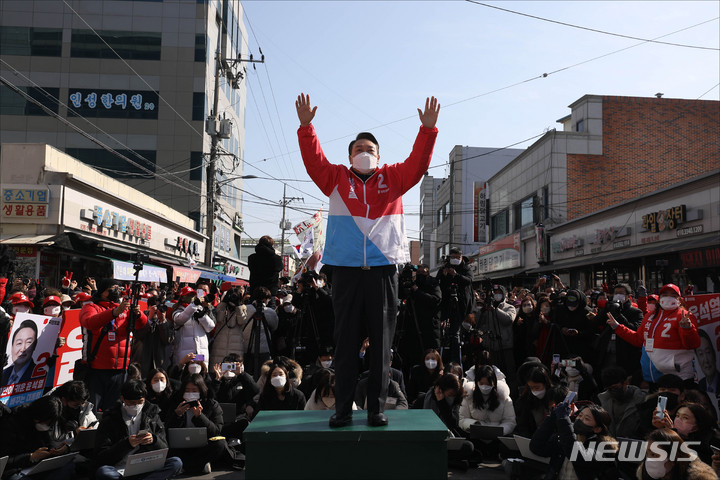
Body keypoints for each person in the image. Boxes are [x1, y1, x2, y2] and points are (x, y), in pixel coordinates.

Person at [296, 92, 439, 428]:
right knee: (345, 344)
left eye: (369, 150)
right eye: (358, 150)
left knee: (381, 344)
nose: (364, 154)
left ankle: (376, 408)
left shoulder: (395, 179)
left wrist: (427, 131)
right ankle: (343, 409)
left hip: (383, 270)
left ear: (379, 156)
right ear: (349, 156)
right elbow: (314, 161)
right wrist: (306, 127)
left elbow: (418, 163)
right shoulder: (335, 179)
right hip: (344, 270)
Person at [608, 283, 700, 384]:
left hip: (678, 377)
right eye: (665, 295)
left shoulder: (684, 316)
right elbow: (638, 339)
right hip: (653, 376)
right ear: (660, 298)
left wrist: (687, 328)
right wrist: (617, 327)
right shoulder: (650, 316)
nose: (668, 298)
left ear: (679, 299)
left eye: (673, 296)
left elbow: (692, 344)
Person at [79, 279, 147, 412]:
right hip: (97, 369)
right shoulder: (91, 307)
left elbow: (141, 326)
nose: (116, 291)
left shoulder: (125, 309)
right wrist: (113, 313)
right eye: (112, 288)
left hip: (120, 370)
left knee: (113, 410)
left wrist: (138, 315)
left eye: (118, 288)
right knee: (91, 409)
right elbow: (89, 323)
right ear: (102, 291)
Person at [93, 379, 182, 480]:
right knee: (104, 472)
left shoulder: (152, 414)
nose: (136, 406)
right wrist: (127, 444)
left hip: (146, 465)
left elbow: (164, 448)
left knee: (176, 462)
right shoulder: (110, 419)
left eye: (140, 402)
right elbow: (101, 456)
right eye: (132, 403)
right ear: (123, 399)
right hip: (120, 468)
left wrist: (153, 440)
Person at [530, 403, 619, 480]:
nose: (580, 419)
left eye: (587, 419)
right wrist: (551, 419)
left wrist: (563, 420)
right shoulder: (564, 437)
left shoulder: (603, 447)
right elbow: (536, 447)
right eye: (580, 415)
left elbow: (575, 454)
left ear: (597, 429)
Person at [0, 395, 75, 480]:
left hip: (36, 466)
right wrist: (31, 457)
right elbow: (5, 461)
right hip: (15, 470)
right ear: (38, 417)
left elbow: (47, 443)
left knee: (67, 467)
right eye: (47, 423)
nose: (48, 427)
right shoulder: (12, 424)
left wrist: (56, 450)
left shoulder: (44, 424)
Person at [166, 374, 226, 475]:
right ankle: (198, 466)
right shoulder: (176, 403)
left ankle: (186, 467)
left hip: (202, 447)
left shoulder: (211, 404)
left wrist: (200, 417)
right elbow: (166, 429)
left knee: (220, 444)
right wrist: (177, 415)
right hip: (181, 447)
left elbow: (216, 431)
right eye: (187, 390)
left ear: (201, 390)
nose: (190, 394)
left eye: (194, 391)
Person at [436, 247, 474, 368]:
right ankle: (442, 363)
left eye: (458, 257)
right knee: (444, 334)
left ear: (461, 257)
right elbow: (437, 283)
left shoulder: (466, 267)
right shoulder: (444, 267)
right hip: (446, 305)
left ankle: (457, 364)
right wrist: (444, 275)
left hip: (461, 305)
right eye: (453, 257)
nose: (455, 259)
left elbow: (469, 280)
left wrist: (456, 275)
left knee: (456, 335)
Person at [475, 284, 517, 392]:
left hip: (506, 346)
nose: (497, 295)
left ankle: (512, 393)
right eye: (495, 293)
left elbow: (508, 319)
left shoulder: (509, 307)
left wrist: (495, 310)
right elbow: (478, 322)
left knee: (509, 372)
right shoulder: (487, 309)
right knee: (495, 372)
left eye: (499, 293)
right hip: (492, 347)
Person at [458, 365, 516, 436]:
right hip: (475, 436)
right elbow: (463, 419)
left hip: (498, 438)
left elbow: (510, 421)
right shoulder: (468, 397)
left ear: (494, 383)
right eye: (481, 384)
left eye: (488, 384)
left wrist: (499, 431)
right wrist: (474, 424)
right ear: (476, 382)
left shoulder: (504, 398)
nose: (484, 387)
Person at [638, 428, 717, 480]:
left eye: (654, 454)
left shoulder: (700, 477)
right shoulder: (645, 475)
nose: (649, 460)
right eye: (647, 454)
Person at [597, 365, 647, 438]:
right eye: (609, 389)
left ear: (626, 382)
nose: (613, 391)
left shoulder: (642, 400)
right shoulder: (603, 401)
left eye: (615, 387)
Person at [171, 286, 215, 365]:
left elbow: (210, 327)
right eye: (188, 295)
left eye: (192, 295)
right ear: (182, 297)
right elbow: (179, 320)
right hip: (185, 355)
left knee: (199, 375)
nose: (190, 297)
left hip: (200, 353)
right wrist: (194, 305)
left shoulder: (199, 308)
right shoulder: (177, 310)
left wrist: (202, 316)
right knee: (184, 375)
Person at [1, 318, 39, 386]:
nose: (22, 349)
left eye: (28, 342)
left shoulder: (40, 374)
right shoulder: (3, 373)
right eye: (19, 343)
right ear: (12, 346)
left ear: (35, 345)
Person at [247, 236, 283, 302]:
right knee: (270, 311)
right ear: (271, 245)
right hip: (270, 291)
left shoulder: (251, 258)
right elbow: (280, 268)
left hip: (255, 291)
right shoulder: (277, 259)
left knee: (252, 310)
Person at [696, 329, 720, 394]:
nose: (706, 360)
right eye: (701, 354)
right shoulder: (700, 385)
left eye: (708, 352)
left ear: (714, 353)